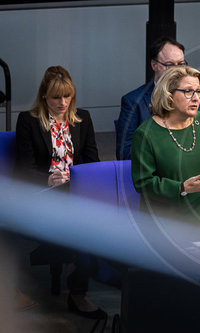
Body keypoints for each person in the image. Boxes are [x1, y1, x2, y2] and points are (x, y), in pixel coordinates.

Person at [15, 66, 105, 319]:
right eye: (56, 97)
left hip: (75, 192)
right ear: (44, 96)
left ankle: (77, 291)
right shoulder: (29, 121)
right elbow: (22, 170)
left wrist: (80, 180)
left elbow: (93, 163)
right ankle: (73, 289)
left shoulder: (82, 119)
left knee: (93, 217)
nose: (62, 102)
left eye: (67, 96)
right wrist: (47, 179)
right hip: (41, 194)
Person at [131, 66, 200, 225]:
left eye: (199, 91)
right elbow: (143, 183)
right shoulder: (146, 134)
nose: (196, 98)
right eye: (188, 91)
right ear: (168, 94)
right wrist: (181, 188)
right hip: (168, 222)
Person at [117, 36, 200, 160]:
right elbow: (125, 152)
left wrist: (193, 160)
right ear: (154, 65)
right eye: (169, 64)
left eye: (181, 64)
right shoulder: (134, 101)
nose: (177, 70)